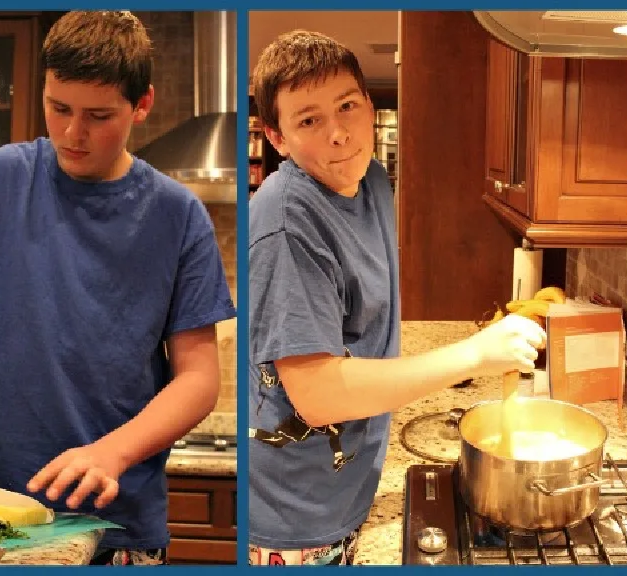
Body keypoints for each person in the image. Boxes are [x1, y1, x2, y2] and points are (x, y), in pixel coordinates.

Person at [0, 10, 236, 566]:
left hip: (118, 530)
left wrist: (113, 452)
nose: (72, 134)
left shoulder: (179, 216)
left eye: (98, 116)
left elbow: (199, 380)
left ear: (142, 104)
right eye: (58, 108)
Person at [247, 30, 546, 566]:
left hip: (345, 485)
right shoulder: (287, 221)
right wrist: (477, 352)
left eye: (347, 106)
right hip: (293, 518)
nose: (339, 133)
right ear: (277, 138)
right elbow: (316, 394)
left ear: (368, 106)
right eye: (308, 120)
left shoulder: (373, 183)